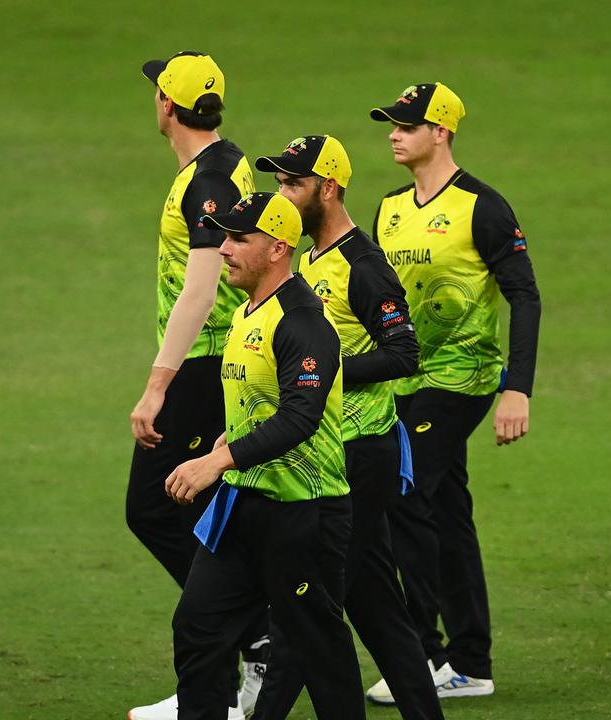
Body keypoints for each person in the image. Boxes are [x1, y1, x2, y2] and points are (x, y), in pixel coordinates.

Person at [247, 135, 445, 720]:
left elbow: (404, 355)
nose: (283, 195)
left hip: (360, 458)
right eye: (279, 183)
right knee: (380, 614)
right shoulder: (307, 263)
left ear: (328, 189)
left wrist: (321, 375)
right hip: (336, 457)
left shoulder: (364, 266)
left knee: (306, 613)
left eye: (293, 185)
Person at [365, 82, 542, 702]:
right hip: (402, 381)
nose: (394, 133)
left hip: (461, 378)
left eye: (407, 125)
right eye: (391, 123)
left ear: (441, 132)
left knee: (403, 494)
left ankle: (424, 655)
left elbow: (525, 294)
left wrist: (515, 388)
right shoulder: (388, 208)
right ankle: (470, 662)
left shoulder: (482, 206)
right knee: (447, 513)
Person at [165, 191, 366, 720]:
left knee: (318, 646)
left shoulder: (303, 322)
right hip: (245, 506)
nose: (224, 248)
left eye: (238, 238)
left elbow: (301, 418)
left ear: (278, 248)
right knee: (198, 625)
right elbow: (261, 404)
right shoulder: (250, 311)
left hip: (305, 513)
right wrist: (226, 442)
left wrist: (217, 462)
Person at [126, 52, 265, 720]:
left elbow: (201, 286)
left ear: (166, 107)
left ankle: (254, 636)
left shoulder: (204, 181)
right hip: (212, 360)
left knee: (153, 507)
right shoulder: (226, 161)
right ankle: (226, 664)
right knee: (186, 507)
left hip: (203, 364)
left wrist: (157, 385)